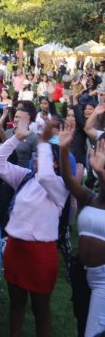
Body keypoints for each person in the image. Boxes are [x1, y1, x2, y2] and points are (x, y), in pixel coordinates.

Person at [0, 118, 69, 337]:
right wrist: (17, 137)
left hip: (40, 254)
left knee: (41, 310)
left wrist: (43, 141)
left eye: (42, 158)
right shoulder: (25, 178)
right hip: (16, 249)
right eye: (36, 157)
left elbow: (44, 175)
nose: (36, 160)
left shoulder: (59, 187)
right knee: (17, 304)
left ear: (56, 163)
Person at [58, 122, 105, 337]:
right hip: (82, 272)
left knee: (95, 332)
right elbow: (68, 180)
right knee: (81, 320)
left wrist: (101, 171)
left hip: (103, 280)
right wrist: (64, 148)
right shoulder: (90, 198)